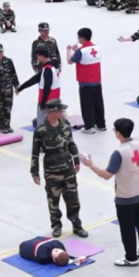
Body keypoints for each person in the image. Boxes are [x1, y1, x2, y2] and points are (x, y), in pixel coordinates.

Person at [81, 118, 139, 267]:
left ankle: (131, 258)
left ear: (118, 133)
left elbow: (107, 175)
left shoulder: (119, 153)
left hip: (126, 197)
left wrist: (90, 165)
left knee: (127, 229)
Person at [30, 100, 86, 238]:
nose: (63, 112)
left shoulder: (65, 124)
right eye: (60, 110)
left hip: (68, 169)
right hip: (52, 171)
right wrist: (35, 172)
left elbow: (71, 143)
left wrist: (76, 160)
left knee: (73, 200)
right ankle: (56, 226)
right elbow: (35, 153)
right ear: (52, 112)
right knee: (53, 201)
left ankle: (77, 226)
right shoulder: (41, 130)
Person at [66, 28, 106, 134]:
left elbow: (70, 61)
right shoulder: (97, 48)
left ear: (82, 37)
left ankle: (89, 127)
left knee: (87, 105)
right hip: (97, 81)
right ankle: (101, 125)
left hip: (85, 83)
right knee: (98, 104)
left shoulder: (81, 51)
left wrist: (69, 51)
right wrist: (76, 50)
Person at [18, 47, 62, 129]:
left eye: (38, 56)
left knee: (42, 124)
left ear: (42, 56)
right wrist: (21, 87)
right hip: (55, 98)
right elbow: (35, 79)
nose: (38, 59)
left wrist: (43, 102)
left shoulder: (47, 69)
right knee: (53, 121)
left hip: (48, 100)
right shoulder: (53, 66)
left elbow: (47, 87)